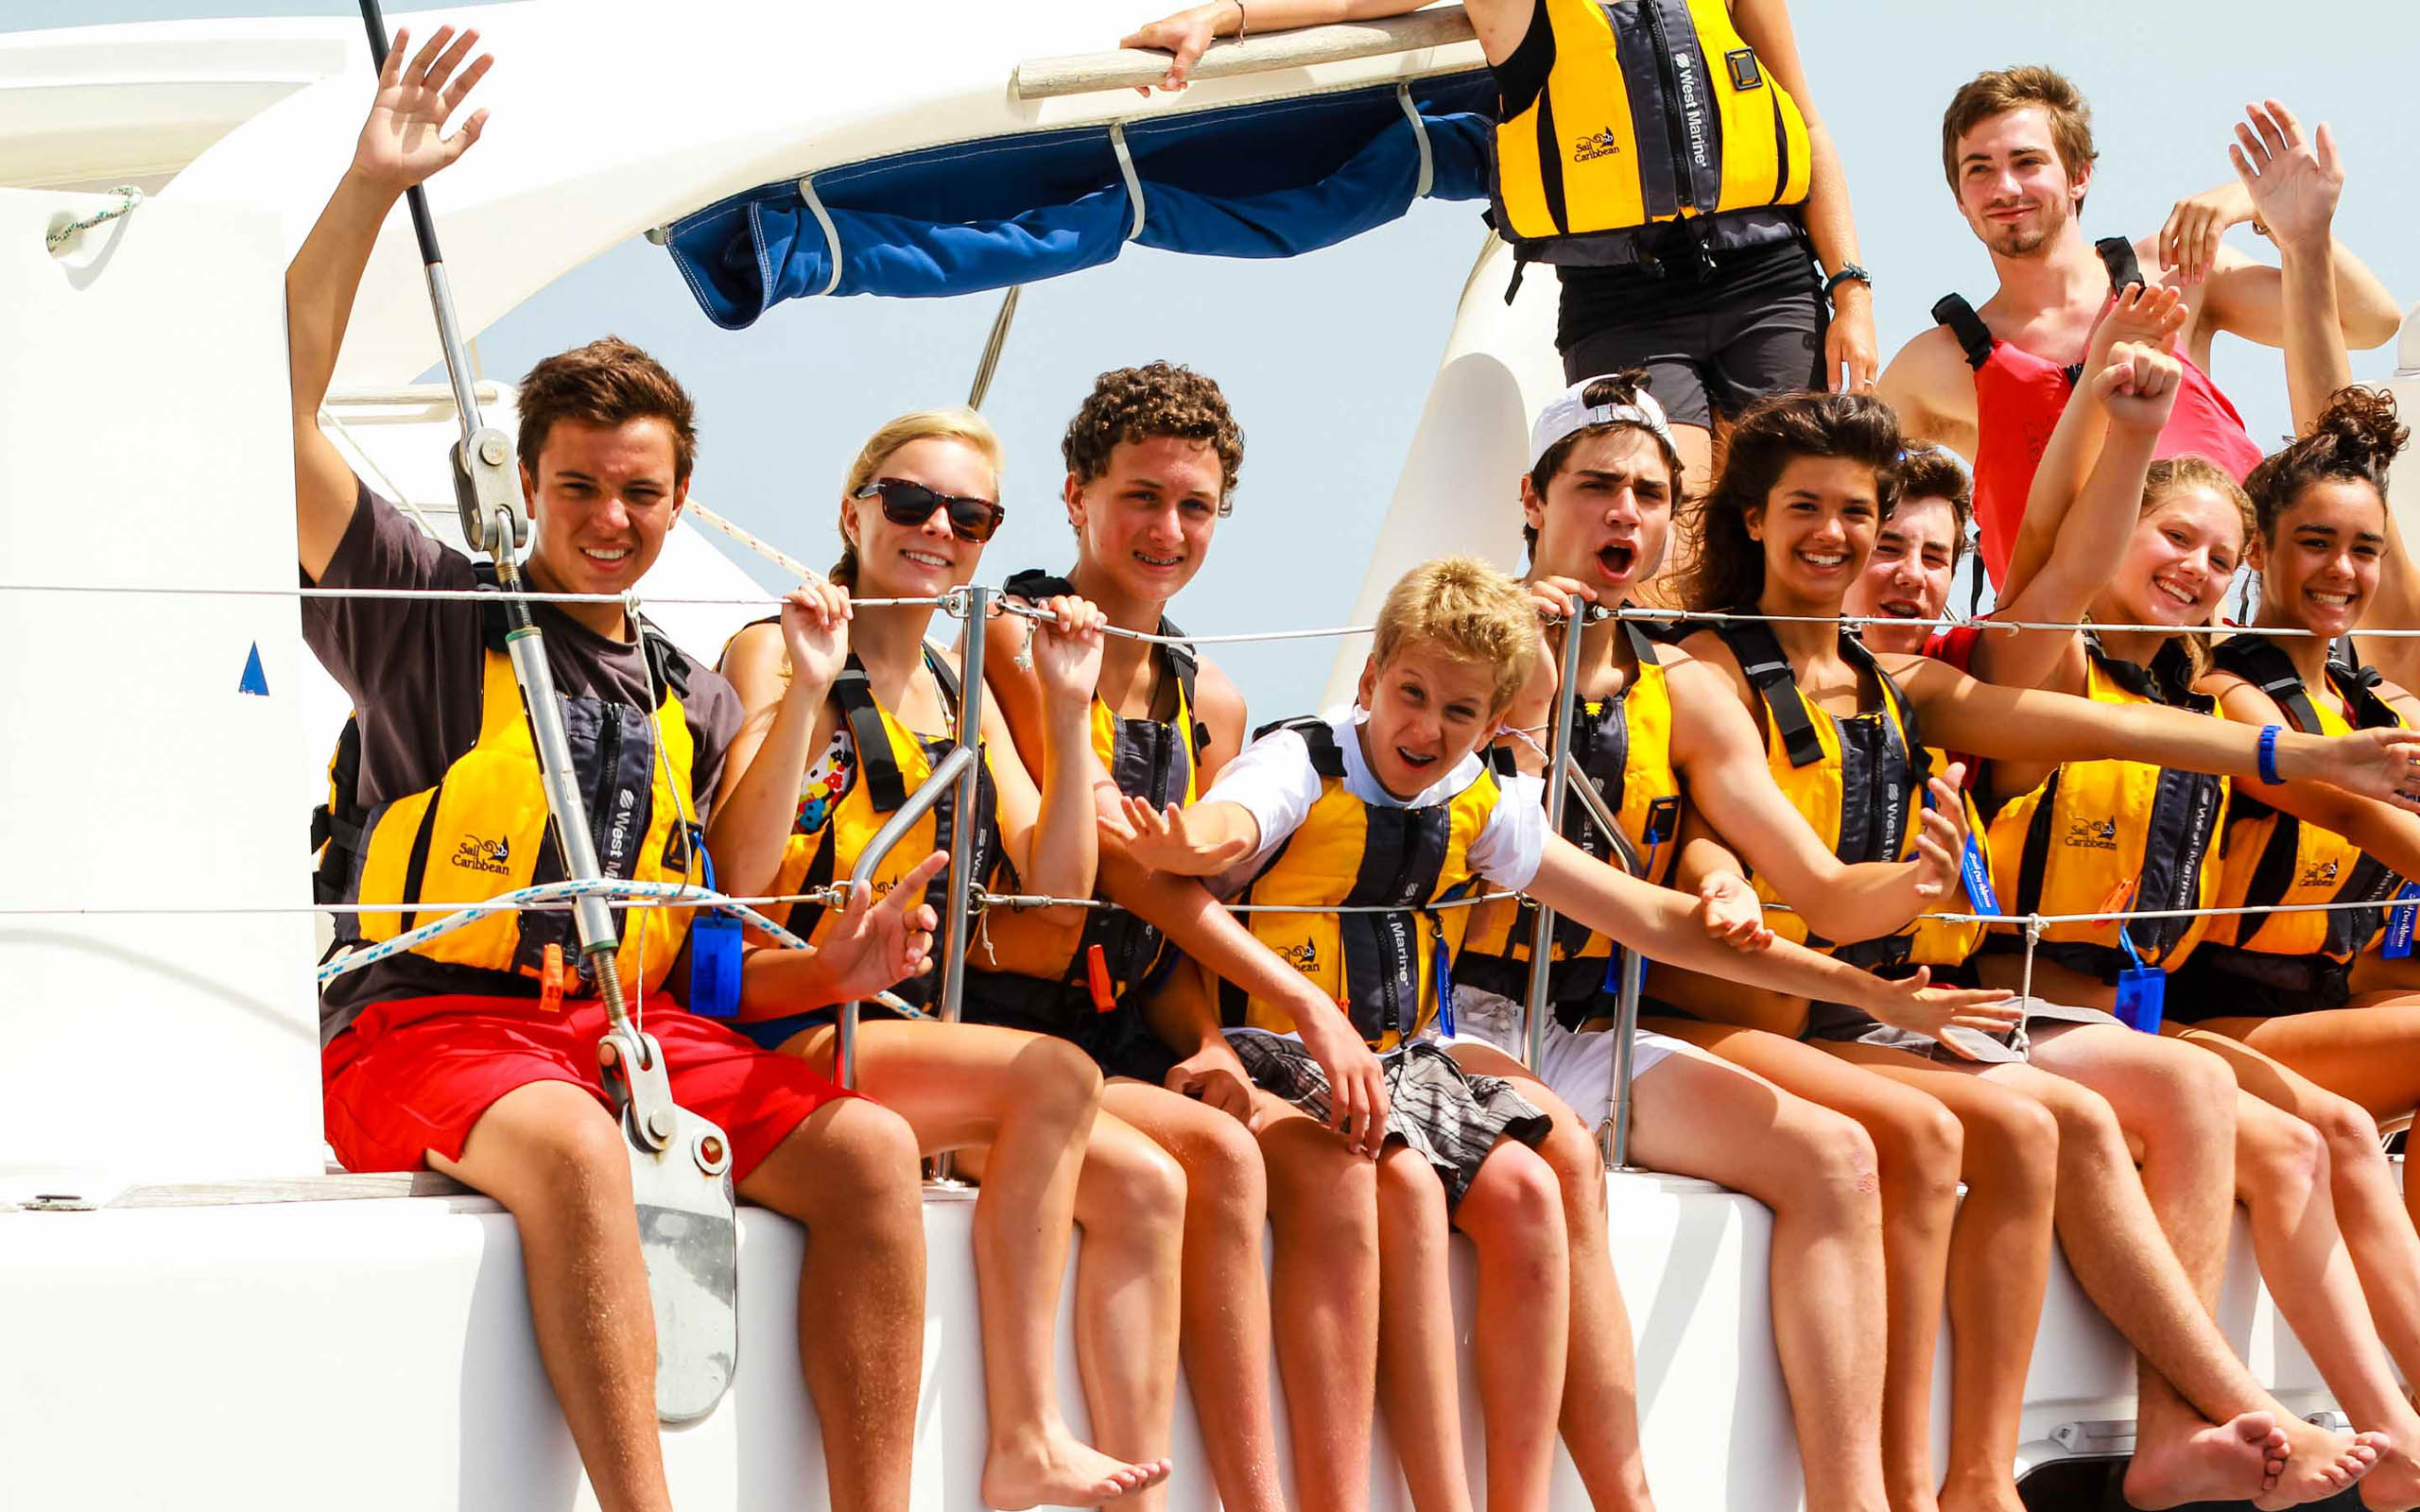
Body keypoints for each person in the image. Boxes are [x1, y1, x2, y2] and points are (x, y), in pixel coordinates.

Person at [291, 30, 937, 1512]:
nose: (610, 514)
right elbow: (277, 412)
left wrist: (815, 689)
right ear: (529, 487)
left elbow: (749, 875)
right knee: (580, 1156)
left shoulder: (685, 684)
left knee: (874, 1156)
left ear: (679, 499)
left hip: (626, 1026)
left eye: (640, 491)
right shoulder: (426, 612)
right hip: (423, 1030)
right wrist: (371, 187)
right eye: (577, 485)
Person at [1122, 555, 2030, 1512]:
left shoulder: (1478, 798)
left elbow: (1655, 920)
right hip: (1282, 1047)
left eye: (1461, 712)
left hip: (1395, 1055)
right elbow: (1218, 834)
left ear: (1494, 721)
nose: (1427, 728)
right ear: (1369, 678)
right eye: (1411, 694)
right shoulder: (1297, 762)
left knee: (1526, 1184)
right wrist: (1198, 848)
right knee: (1391, 1180)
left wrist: (1873, 992)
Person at [1668, 381, 2419, 1508]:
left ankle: (2002, 1471)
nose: (1856, 545)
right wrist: (2120, 423)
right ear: (1752, 523)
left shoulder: (1900, 685)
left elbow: (2112, 728)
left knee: (2175, 1114)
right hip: (1822, 1003)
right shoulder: (1707, 676)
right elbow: (1794, 876)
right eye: (1817, 513)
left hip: (1904, 1003)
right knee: (2102, 1112)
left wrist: (2293, 761)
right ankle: (2180, 1427)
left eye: (1873, 523)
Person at [1447, 373, 1992, 1512]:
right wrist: (1531, 692)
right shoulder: (1454, 638)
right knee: (1563, 1156)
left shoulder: (1685, 687)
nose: (1624, 514)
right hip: (1458, 1012)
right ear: (1533, 499)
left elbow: (1830, 894)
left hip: (1594, 1018)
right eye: (1595, 486)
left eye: (1650, 492)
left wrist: (1916, 884)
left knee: (1836, 1161)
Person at [713, 409, 1184, 1510]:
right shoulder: (771, 647)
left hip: (898, 1029)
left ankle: (1142, 1496)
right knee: (1056, 1075)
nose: (937, 528)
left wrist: (1068, 714)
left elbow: (1058, 895)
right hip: (778, 1015)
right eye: (909, 502)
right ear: (852, 511)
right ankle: (1023, 1432)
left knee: (1152, 1188)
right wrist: (805, 684)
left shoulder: (954, 681)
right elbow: (737, 879)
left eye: (966, 516)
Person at [1118, 0, 1877, 504]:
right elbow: (1363, 2)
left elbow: (1804, 126)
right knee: (1662, 518)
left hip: (1768, 277)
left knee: (1797, 506)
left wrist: (1851, 290)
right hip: (1620, 297)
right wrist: (1225, 16)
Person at [973, 362, 1289, 1512]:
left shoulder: (1214, 703)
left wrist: (1207, 1037)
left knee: (1266, 1147)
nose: (1167, 530)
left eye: (1194, 506)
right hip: (1003, 1023)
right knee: (1194, 1167)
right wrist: (1300, 1003)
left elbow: (1184, 935)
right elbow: (1112, 856)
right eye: (1141, 497)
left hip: (1122, 1035)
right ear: (1075, 497)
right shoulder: (1014, 638)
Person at [1877, 78, 2400, 586]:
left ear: (2079, 175)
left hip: (2217, 655)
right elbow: (1847, 484)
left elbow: (2371, 321)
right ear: (1960, 200)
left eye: (2027, 162)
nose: (2005, 188)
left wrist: (2265, 212)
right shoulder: (1937, 364)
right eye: (1980, 170)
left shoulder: (2180, 271)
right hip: (2059, 666)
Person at [1842, 448, 1971, 656]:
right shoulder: (1774, 658)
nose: (1913, 575)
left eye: (1932, 558)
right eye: (1887, 549)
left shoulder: (1967, 660)